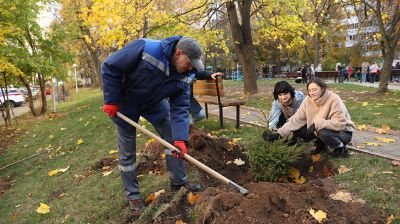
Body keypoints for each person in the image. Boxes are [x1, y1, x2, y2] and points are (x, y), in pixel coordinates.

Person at [102, 36, 203, 215]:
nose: (191, 68)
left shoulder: (186, 75)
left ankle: (178, 182)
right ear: (178, 53)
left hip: (153, 103)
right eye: (189, 63)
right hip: (126, 102)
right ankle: (133, 196)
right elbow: (110, 66)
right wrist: (111, 99)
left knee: (172, 135)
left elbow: (179, 109)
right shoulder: (146, 48)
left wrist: (180, 138)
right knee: (127, 151)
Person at [263, 78, 355, 158]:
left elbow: (339, 123)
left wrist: (317, 124)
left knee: (322, 131)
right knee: (299, 128)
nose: (312, 93)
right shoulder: (308, 100)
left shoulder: (334, 99)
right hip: (321, 130)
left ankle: (341, 149)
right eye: (310, 90)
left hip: (343, 132)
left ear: (322, 88)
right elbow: (296, 119)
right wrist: (279, 134)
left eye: (314, 89)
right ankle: (321, 146)